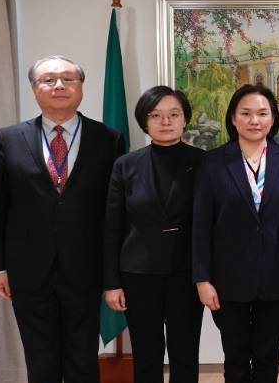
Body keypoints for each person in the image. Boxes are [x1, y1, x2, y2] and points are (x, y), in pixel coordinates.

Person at [0, 55, 125, 382]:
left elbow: (114, 212)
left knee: (83, 361)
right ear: (34, 89)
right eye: (48, 80)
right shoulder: (9, 138)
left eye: (68, 79)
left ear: (80, 87)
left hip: (85, 268)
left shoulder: (108, 138)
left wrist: (112, 274)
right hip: (28, 270)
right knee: (41, 360)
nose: (59, 85)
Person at [192, 83, 279, 383]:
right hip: (227, 279)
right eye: (246, 113)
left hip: (277, 276)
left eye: (263, 113)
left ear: (273, 118)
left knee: (267, 357)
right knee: (235, 358)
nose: (255, 120)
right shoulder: (212, 162)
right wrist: (202, 279)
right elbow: (201, 224)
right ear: (233, 118)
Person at [102, 86, 205, 383]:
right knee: (147, 355)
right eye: (156, 115)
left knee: (185, 353)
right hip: (138, 275)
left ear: (185, 119)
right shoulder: (125, 165)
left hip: (186, 274)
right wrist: (111, 283)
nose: (166, 121)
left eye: (174, 114)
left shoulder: (203, 162)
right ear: (143, 121)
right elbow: (112, 226)